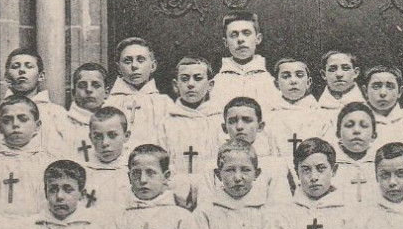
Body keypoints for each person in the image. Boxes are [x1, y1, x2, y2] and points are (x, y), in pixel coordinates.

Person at [193, 97, 292, 209]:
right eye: (232, 121)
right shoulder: (210, 168)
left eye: (247, 120)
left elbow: (280, 212)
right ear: (224, 128)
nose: (239, 127)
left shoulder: (275, 166)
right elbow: (204, 211)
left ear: (260, 126)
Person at [0, 48, 69, 159]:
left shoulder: (57, 113)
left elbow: (65, 153)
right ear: (6, 77)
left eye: (29, 66)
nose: (22, 71)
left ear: (41, 76)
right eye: (15, 66)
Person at [159, 57, 220, 211]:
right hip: (175, 198)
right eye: (184, 79)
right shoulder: (167, 122)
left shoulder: (219, 121)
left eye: (198, 78)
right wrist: (180, 189)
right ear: (175, 85)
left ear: (210, 85)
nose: (191, 84)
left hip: (213, 196)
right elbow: (161, 164)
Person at [0, 95, 52, 219]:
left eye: (23, 119)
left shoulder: (48, 163)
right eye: (7, 120)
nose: (15, 125)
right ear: (0, 127)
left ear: (37, 126)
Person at [210, 13, 280, 119]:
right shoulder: (216, 84)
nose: (240, 40)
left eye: (246, 33)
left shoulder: (271, 83)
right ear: (225, 42)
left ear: (258, 38)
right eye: (234, 35)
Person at [105, 37, 171, 142]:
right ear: (119, 68)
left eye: (140, 60)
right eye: (127, 61)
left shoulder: (164, 103)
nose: (134, 66)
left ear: (153, 66)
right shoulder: (109, 103)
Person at [267, 57, 327, 166]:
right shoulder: (269, 117)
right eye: (286, 76)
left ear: (308, 82)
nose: (293, 81)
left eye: (299, 75)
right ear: (276, 84)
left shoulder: (321, 116)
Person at [82, 106, 135, 218]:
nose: (105, 143)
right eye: (98, 136)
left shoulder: (134, 169)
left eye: (112, 135)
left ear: (126, 136)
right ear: (90, 138)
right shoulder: (83, 172)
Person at [333, 101, 379, 208]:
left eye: (364, 126)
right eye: (349, 125)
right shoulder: (330, 165)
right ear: (338, 133)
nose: (357, 131)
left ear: (373, 135)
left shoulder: (380, 163)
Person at [65, 62, 110, 164]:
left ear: (106, 92)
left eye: (96, 85)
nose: (89, 90)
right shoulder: (62, 123)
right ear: (73, 93)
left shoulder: (116, 122)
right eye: (82, 85)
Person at [363, 64, 403, 149]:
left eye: (390, 86)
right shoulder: (355, 119)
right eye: (376, 86)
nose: (383, 93)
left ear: (400, 91)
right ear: (365, 91)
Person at [317, 49, 361, 134]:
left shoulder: (368, 107)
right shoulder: (314, 109)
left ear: (356, 72)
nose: (339, 74)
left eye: (345, 68)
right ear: (323, 74)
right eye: (332, 69)